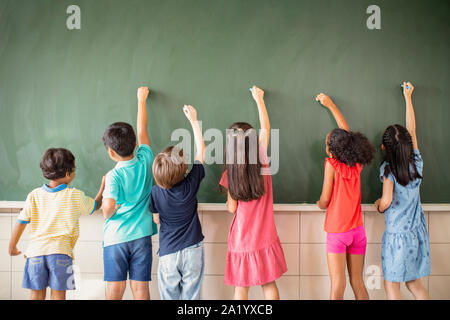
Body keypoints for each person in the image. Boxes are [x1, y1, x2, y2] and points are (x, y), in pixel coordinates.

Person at [8, 148, 104, 300]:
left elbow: (21, 222)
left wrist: (12, 246)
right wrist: (102, 187)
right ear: (68, 174)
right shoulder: (74, 195)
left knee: (36, 296)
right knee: (58, 296)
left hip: (35, 254)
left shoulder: (34, 195)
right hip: (61, 253)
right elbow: (95, 206)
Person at [219, 85, 287, 300]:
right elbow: (266, 129)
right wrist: (259, 99)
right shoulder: (263, 162)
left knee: (241, 288)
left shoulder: (230, 174)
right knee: (268, 284)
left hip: (241, 239)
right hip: (265, 236)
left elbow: (231, 209)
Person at [374, 82, 431, 300]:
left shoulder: (388, 171)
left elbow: (387, 201)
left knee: (391, 286)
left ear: (384, 148)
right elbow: (412, 130)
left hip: (397, 237)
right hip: (417, 233)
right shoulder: (416, 162)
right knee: (414, 285)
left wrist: (379, 204)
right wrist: (408, 98)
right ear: (408, 145)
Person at [316, 93, 374, 300]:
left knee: (337, 285)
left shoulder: (331, 165)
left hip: (337, 233)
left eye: (326, 143)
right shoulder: (357, 163)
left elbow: (324, 200)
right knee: (357, 282)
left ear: (332, 150)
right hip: (358, 231)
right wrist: (331, 105)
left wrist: (319, 203)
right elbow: (347, 135)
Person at [101, 86, 157, 300]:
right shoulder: (146, 159)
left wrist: (110, 208)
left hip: (116, 237)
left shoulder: (113, 177)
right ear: (135, 144)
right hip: (141, 235)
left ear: (111, 152)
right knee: (140, 288)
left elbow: (107, 210)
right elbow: (142, 130)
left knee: (115, 288)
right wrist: (141, 100)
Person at [149, 104, 206, 300]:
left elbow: (156, 220)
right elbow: (201, 150)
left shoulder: (155, 192)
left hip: (168, 253)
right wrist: (193, 121)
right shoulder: (191, 184)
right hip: (192, 249)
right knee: (192, 297)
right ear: (183, 170)